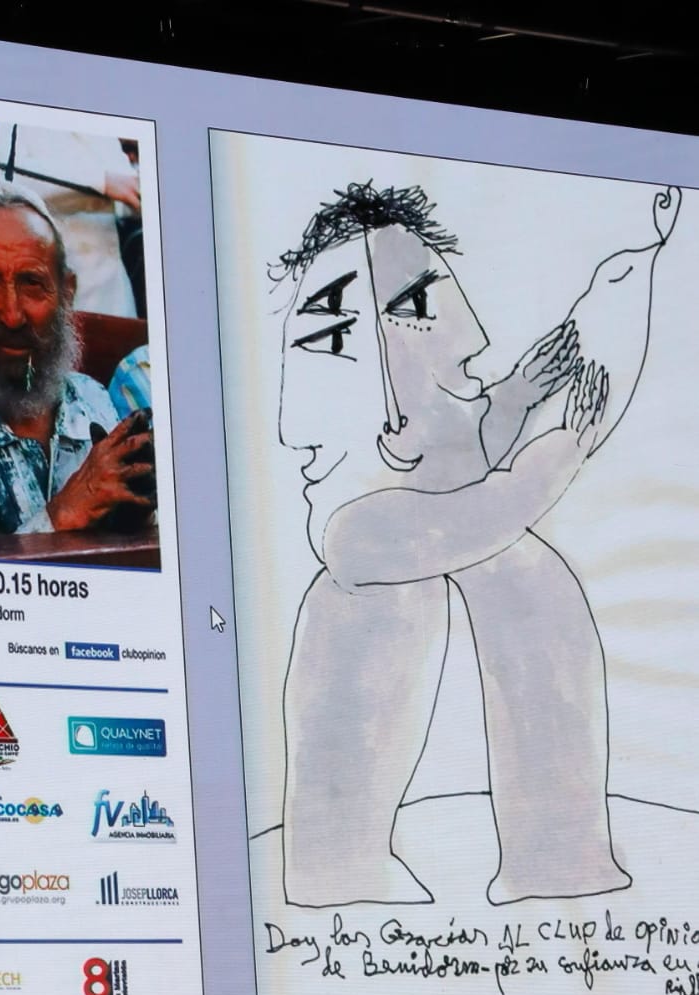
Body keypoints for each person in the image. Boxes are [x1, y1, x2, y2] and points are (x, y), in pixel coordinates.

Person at [274, 180, 645, 908]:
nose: (471, 338)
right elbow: (477, 509)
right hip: (343, 879)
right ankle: (342, 869)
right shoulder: (358, 534)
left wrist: (516, 396)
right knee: (512, 566)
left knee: (525, 572)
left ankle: (558, 854)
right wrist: (562, 448)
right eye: (417, 306)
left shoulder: (408, 505)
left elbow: (463, 466)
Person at [0, 187, 155, 541]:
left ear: (66, 293)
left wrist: (137, 515)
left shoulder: (91, 396)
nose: (12, 315)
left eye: (32, 283)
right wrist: (62, 513)